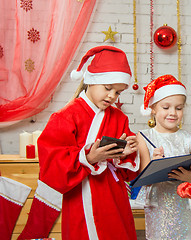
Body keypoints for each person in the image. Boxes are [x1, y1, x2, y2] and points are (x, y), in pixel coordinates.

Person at [18, 46, 140, 240]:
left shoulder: (119, 118)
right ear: (91, 81)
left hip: (113, 197)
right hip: (80, 197)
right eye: (107, 88)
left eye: (117, 92)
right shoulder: (65, 117)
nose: (111, 96)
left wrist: (126, 152)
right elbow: (52, 164)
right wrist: (89, 157)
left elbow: (127, 171)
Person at [136, 74, 191, 240]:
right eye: (166, 107)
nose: (173, 113)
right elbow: (144, 178)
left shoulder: (189, 138)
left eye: (178, 108)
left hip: (186, 208)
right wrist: (154, 164)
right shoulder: (144, 137)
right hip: (159, 209)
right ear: (153, 109)